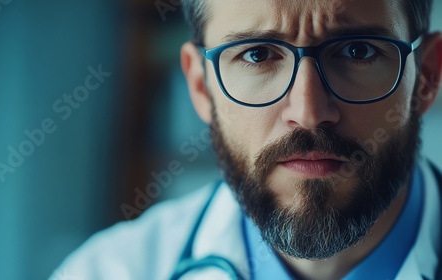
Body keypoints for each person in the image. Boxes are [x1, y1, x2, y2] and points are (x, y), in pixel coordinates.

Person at [51, 0, 442, 279]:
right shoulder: (102, 271)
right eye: (257, 55)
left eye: (357, 51)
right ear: (201, 87)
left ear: (425, 77)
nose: (307, 112)